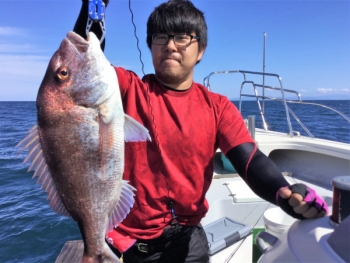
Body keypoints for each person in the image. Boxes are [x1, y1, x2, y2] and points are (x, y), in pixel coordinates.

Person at [73, 1, 328, 262]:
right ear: (150, 46)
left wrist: (283, 192)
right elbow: (81, 65)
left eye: (182, 37)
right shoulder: (125, 90)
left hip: (189, 241)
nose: (170, 46)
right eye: (160, 37)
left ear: (200, 51)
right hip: (127, 244)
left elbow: (249, 159)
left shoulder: (218, 107)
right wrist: (93, 4)